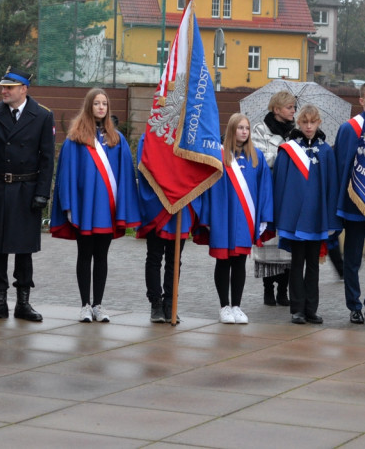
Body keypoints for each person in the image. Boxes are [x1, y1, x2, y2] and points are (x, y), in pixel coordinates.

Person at [50, 88, 141, 323]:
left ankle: (98, 305)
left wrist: (123, 207)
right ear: (89, 106)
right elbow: (66, 175)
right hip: (84, 209)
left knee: (102, 256)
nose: (101, 107)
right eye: (97, 103)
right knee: (84, 254)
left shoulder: (116, 139)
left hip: (107, 210)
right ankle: (84, 305)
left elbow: (125, 176)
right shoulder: (75, 139)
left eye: (104, 104)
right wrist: (68, 207)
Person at [0, 68, 55, 322]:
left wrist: (43, 192)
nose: (4, 91)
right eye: (3, 86)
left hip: (26, 190)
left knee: (24, 250)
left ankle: (23, 302)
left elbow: (47, 159)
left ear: (24, 89)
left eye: (10, 87)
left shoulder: (42, 116)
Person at [198, 113, 273, 324]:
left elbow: (265, 190)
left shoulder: (256, 158)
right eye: (240, 128)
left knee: (239, 262)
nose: (244, 132)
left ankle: (237, 306)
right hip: (222, 218)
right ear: (232, 130)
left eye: (247, 128)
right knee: (223, 262)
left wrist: (263, 219)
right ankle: (224, 306)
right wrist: (208, 218)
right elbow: (207, 189)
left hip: (245, 220)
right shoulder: (218, 157)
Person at [270, 105, 339, 324]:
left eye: (313, 122)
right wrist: (280, 216)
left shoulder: (326, 151)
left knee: (314, 266)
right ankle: (296, 309)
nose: (309, 126)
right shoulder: (289, 150)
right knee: (297, 264)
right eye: (305, 122)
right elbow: (279, 184)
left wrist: (330, 218)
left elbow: (332, 186)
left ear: (319, 123)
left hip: (318, 218)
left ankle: (311, 309)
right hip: (296, 218)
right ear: (299, 123)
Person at [136, 130, 200, 323]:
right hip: (158, 203)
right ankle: (155, 304)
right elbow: (145, 166)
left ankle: (170, 304)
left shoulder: (188, 135)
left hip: (181, 203)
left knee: (175, 259)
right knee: (154, 256)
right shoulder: (150, 134)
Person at [335, 81, 365, 324]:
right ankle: (354, 305)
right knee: (353, 260)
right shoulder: (349, 128)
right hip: (355, 206)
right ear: (362, 101)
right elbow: (342, 167)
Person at [250, 90, 295, 306]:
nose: (293, 111)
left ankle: (283, 291)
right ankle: (268, 289)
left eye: (294, 107)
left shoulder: (296, 131)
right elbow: (258, 156)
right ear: (277, 109)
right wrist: (284, 153)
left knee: (286, 245)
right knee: (269, 242)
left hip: (288, 193)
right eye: (289, 107)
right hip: (268, 192)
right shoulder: (260, 129)